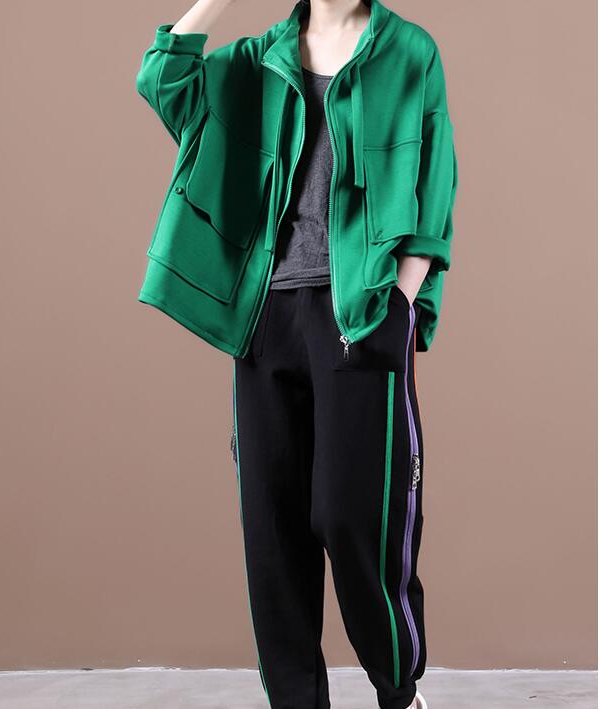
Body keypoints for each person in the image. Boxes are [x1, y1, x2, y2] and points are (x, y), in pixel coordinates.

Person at [135, 0, 458, 707]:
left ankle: (399, 690)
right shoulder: (258, 59)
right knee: (272, 528)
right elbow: (162, 79)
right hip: (266, 318)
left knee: (354, 517)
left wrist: (399, 308)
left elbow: (434, 192)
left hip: (360, 315)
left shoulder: (409, 52)